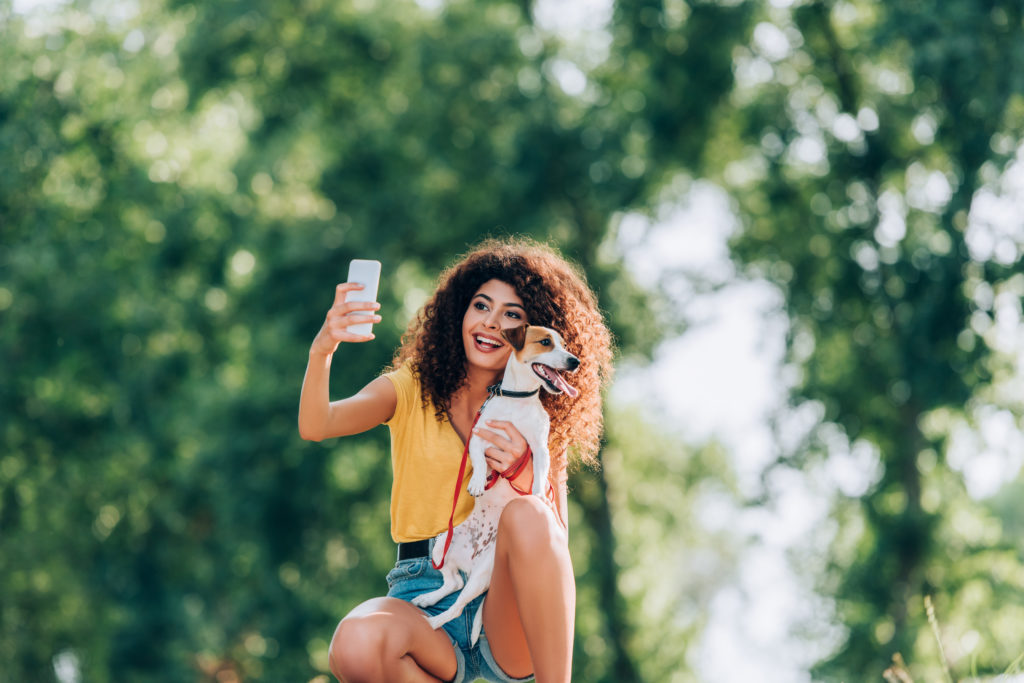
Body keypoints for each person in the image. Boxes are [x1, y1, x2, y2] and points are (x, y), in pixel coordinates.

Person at [298, 237, 613, 683]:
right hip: (424, 590)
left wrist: (525, 473)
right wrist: (323, 349)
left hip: (509, 612)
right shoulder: (411, 388)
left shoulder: (539, 418)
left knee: (529, 514)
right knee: (355, 643)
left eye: (512, 316)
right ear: (459, 313)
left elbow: (552, 543)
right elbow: (317, 424)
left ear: (534, 339)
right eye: (481, 306)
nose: (491, 323)